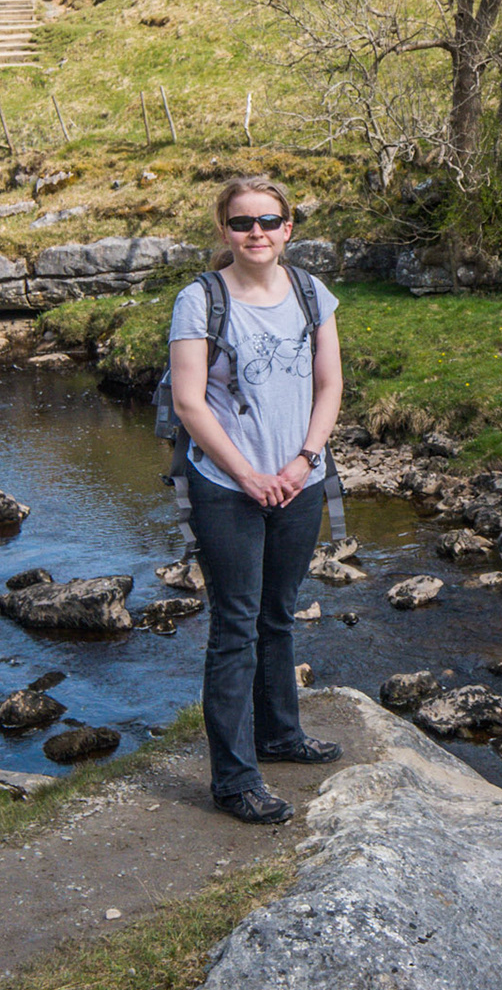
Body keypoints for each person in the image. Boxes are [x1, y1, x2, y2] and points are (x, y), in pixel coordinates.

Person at [168, 175, 346, 824]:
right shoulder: (199, 300)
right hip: (226, 488)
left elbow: (330, 384)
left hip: (300, 480)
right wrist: (248, 473)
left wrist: (302, 460)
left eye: (269, 221)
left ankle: (279, 733)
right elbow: (190, 402)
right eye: (243, 222)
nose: (257, 232)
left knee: (279, 612)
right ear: (224, 230)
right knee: (236, 626)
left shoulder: (310, 292)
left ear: (288, 227)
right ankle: (235, 779)